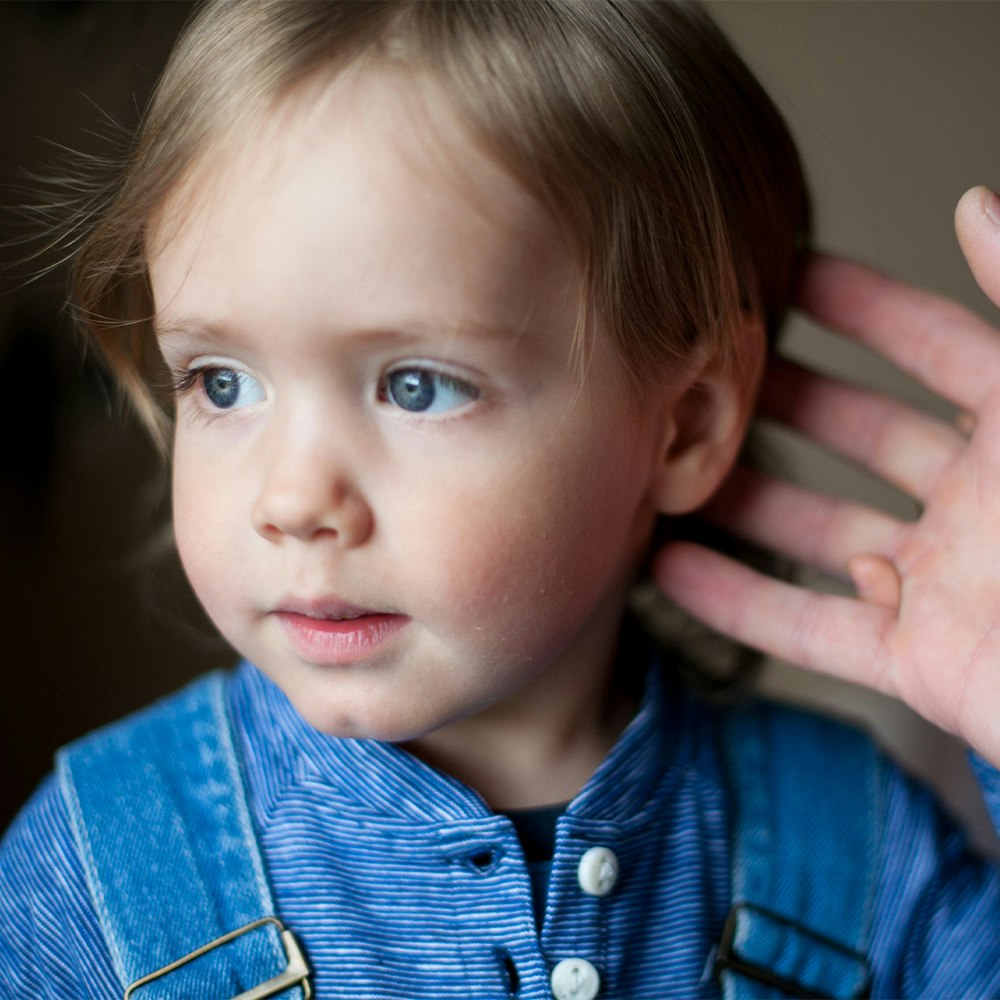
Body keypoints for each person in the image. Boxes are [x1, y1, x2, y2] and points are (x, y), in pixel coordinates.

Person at [3, 1, 1000, 997]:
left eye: (416, 385)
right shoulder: (91, 872)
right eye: (222, 381)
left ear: (682, 426)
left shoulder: (858, 858)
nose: (292, 498)